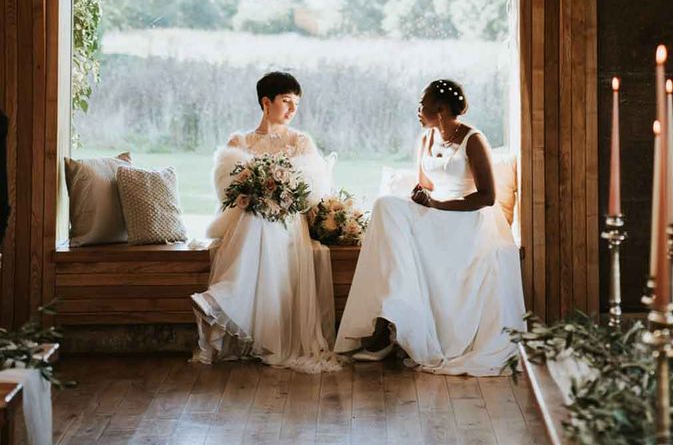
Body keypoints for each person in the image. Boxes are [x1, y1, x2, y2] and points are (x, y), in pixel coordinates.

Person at [335, 78, 525, 375]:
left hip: (466, 219)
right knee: (386, 206)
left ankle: (388, 328)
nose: (417, 110)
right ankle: (388, 321)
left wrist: (439, 206)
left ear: (439, 109)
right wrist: (421, 196)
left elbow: (487, 197)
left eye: (421, 104)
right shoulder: (426, 139)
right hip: (436, 215)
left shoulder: (472, 139)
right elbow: (425, 184)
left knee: (388, 210)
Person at [192, 71, 340, 372]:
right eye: (286, 102)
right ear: (266, 102)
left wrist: (277, 194)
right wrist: (258, 192)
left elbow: (311, 191)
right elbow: (227, 191)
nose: (292, 110)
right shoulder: (240, 141)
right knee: (254, 218)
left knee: (263, 222)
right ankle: (235, 310)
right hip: (247, 217)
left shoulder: (301, 142)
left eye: (296, 104)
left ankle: (223, 300)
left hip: (287, 220)